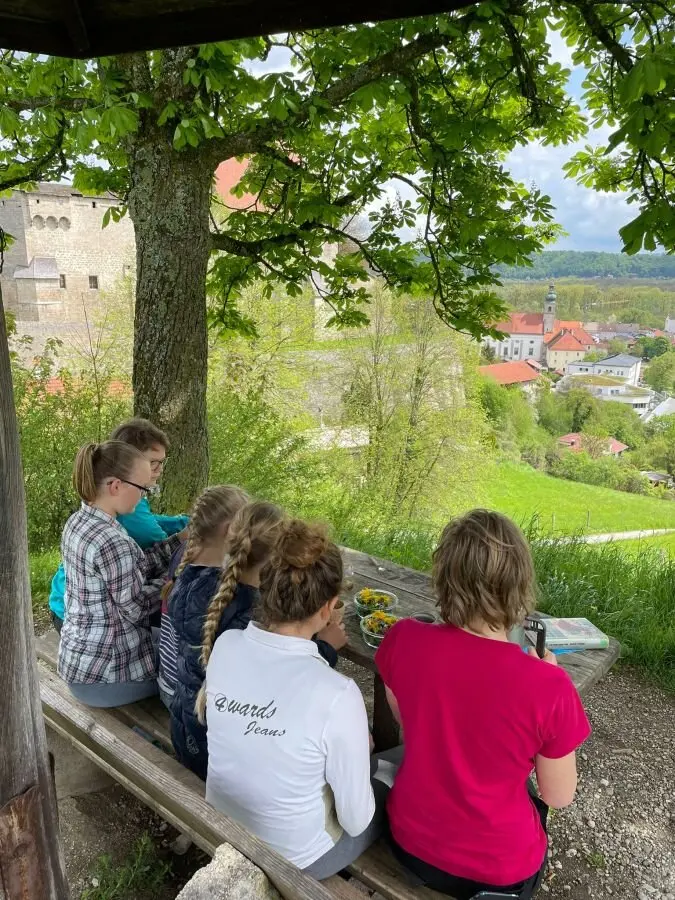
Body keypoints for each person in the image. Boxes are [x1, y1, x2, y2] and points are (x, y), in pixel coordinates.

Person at [375, 509, 591, 900]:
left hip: (409, 842)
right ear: (519, 584)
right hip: (499, 872)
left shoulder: (402, 639)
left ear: (444, 576)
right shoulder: (550, 687)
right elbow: (558, 796)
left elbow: (406, 720)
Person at [204, 519, 384, 878]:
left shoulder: (225, 645)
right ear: (327, 608)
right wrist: (360, 754)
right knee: (391, 774)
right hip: (295, 860)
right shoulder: (337, 694)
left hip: (223, 827)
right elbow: (356, 820)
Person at [57, 441, 186, 707]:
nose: (144, 497)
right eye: (143, 489)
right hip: (106, 677)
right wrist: (174, 580)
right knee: (187, 670)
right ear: (116, 486)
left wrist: (177, 541)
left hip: (80, 661)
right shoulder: (112, 541)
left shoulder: (81, 522)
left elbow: (130, 568)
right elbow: (137, 607)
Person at [48, 418, 188, 633]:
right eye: (154, 463)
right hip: (99, 636)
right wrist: (175, 580)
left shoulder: (84, 515)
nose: (159, 470)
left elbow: (141, 551)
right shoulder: (116, 532)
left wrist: (181, 526)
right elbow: (136, 605)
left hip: (73, 615)